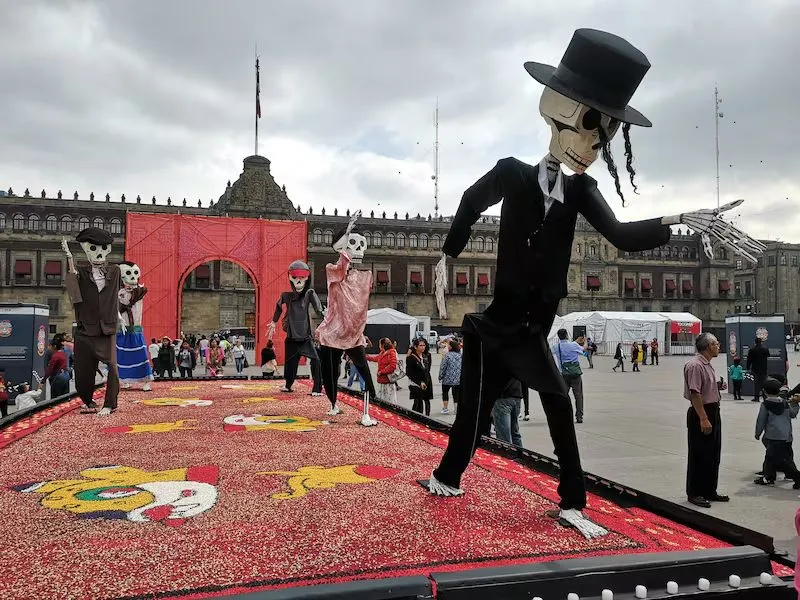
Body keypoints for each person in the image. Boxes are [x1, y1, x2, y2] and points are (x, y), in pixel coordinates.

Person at [62, 227, 124, 416]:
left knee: (112, 366)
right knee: (83, 368)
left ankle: (109, 404)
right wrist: (69, 258)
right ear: (86, 250)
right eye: (92, 248)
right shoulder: (80, 272)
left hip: (107, 327)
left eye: (102, 248)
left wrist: (119, 315)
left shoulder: (114, 271)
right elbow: (74, 295)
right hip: (85, 328)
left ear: (108, 250)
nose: (98, 253)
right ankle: (88, 401)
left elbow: (117, 295)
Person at [684, 332, 728, 508]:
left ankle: (709, 489)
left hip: (712, 410)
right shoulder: (695, 365)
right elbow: (695, 393)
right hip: (701, 412)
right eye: (716, 343)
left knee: (712, 453)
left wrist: (716, 387)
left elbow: (703, 388)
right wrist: (703, 418)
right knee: (699, 454)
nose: (719, 346)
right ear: (709, 346)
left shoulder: (707, 364)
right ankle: (695, 492)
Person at [268, 260, 324, 394]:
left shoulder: (309, 293)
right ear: (289, 278)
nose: (298, 282)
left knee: (316, 361)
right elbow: (278, 307)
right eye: (295, 278)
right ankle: (288, 385)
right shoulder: (286, 296)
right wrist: (273, 322)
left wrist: (326, 317)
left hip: (305, 337)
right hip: (292, 337)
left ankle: (317, 388)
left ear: (307, 278)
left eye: (302, 278)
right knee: (290, 364)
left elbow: (318, 309)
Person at [753, 377, 800, 488]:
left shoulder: (765, 405)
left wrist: (758, 433)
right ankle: (770, 477)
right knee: (781, 457)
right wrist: (795, 404)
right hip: (787, 436)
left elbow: (761, 420)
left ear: (764, 392)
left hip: (774, 437)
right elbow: (793, 414)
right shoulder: (785, 403)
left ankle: (796, 476)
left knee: (777, 459)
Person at [551, 329, 585, 424]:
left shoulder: (556, 346)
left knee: (563, 396)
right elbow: (583, 350)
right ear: (566, 335)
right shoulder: (573, 345)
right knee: (578, 396)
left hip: (563, 374)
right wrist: (584, 341)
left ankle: (562, 415)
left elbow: (549, 353)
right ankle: (579, 416)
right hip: (575, 374)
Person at [492, 377, 524, 446]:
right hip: (516, 393)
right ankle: (519, 455)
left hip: (503, 396)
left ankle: (507, 455)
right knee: (514, 433)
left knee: (503, 437)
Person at [407, 339, 433, 416]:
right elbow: (409, 373)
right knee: (418, 402)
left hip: (427, 381)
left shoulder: (426, 356)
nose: (423, 347)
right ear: (415, 347)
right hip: (416, 383)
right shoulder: (411, 358)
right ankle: (416, 417)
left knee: (427, 400)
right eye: (420, 345)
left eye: (424, 345)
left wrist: (426, 381)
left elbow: (427, 370)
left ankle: (427, 417)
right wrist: (419, 382)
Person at [367, 338, 398, 403]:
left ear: (382, 345)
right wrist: (367, 357)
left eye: (379, 344)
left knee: (389, 401)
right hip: (382, 380)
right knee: (382, 400)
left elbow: (392, 366)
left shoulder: (392, 352)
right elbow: (376, 358)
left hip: (388, 381)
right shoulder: (382, 353)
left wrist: (381, 372)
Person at [439, 338, 462, 414]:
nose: (447, 346)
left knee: (445, 392)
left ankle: (445, 408)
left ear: (451, 347)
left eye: (449, 345)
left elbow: (443, 366)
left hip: (447, 378)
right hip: (457, 379)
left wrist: (440, 376)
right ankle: (456, 409)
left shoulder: (447, 355)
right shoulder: (460, 356)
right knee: (456, 394)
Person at [746, 338, 770, 402]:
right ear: (761, 342)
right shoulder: (765, 349)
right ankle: (765, 397)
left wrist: (748, 368)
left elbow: (749, 360)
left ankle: (756, 398)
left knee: (756, 384)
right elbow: (768, 355)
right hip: (764, 369)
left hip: (755, 369)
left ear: (755, 342)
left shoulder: (752, 350)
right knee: (764, 384)